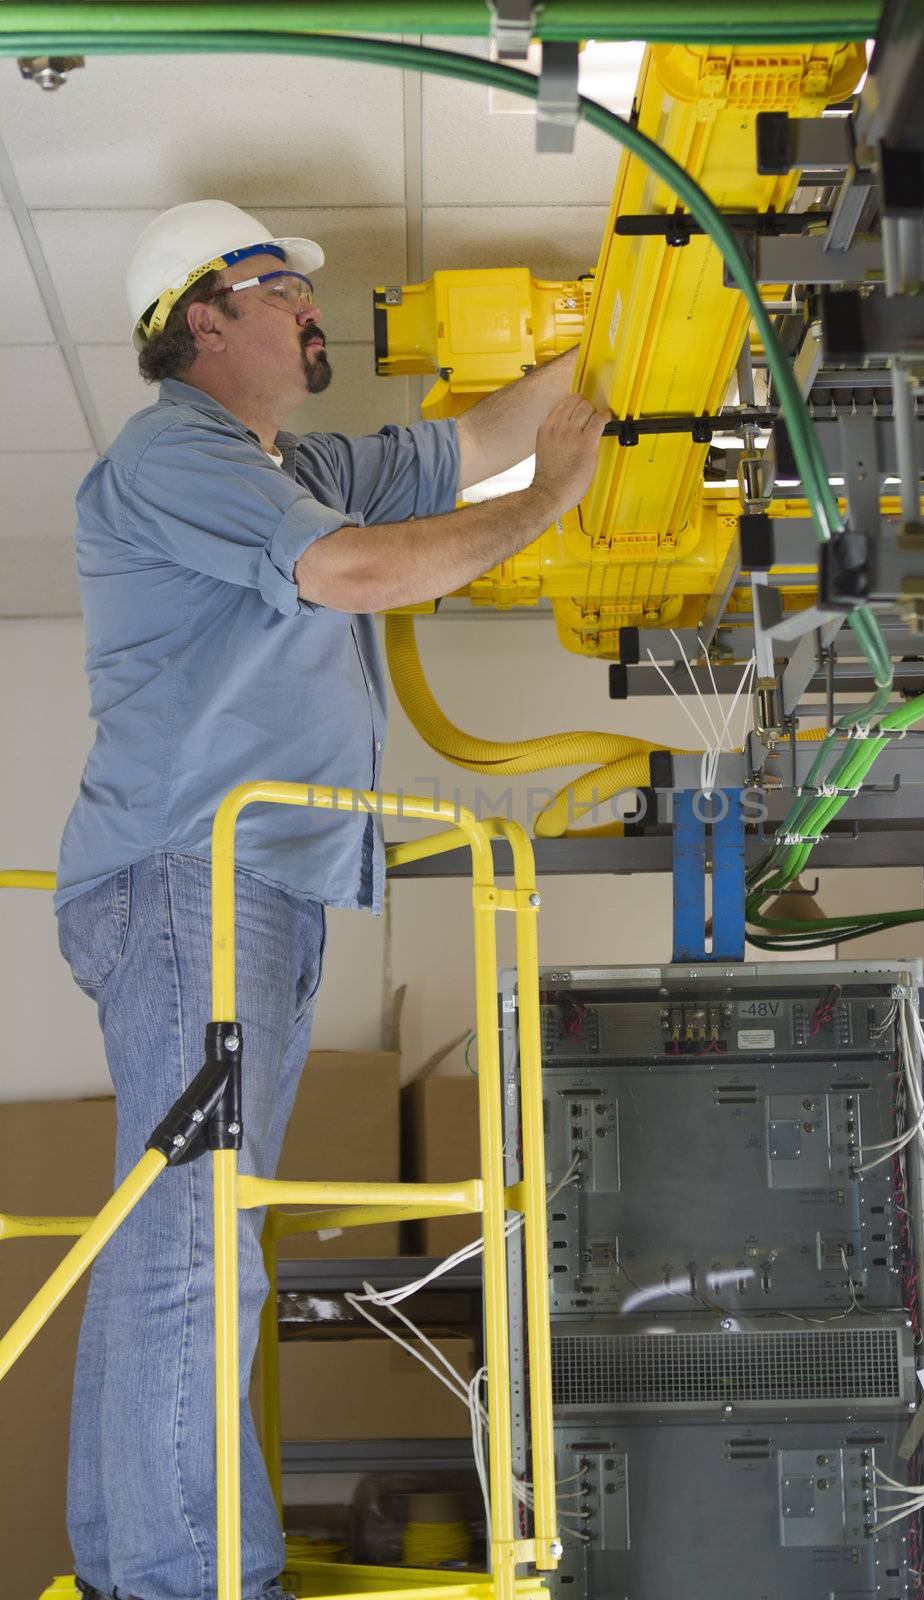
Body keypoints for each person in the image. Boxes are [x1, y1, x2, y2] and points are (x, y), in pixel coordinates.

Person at [53, 199, 608, 1600]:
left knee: (195, 1229)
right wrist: (547, 499)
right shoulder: (178, 453)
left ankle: (146, 1564)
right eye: (277, 285)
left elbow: (472, 439)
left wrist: (636, 318)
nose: (311, 303)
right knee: (196, 1236)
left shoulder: (299, 460)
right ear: (204, 318)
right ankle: (187, 1579)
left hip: (260, 888)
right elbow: (352, 573)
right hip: (196, 875)